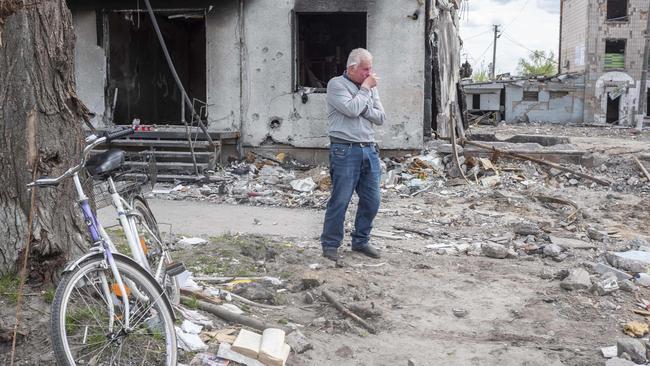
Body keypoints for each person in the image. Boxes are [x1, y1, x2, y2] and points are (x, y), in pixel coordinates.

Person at [320, 48, 385, 262]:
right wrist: (365, 91)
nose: (370, 73)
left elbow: (380, 117)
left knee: (372, 200)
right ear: (351, 68)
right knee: (341, 199)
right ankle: (330, 244)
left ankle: (361, 241)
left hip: (369, 148)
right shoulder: (336, 84)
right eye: (365, 69)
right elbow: (350, 110)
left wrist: (364, 104)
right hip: (344, 149)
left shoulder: (369, 87)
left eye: (370, 69)